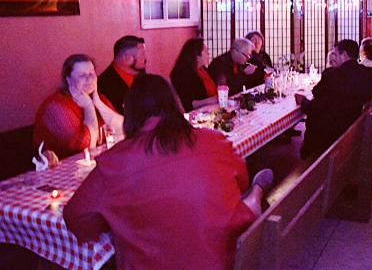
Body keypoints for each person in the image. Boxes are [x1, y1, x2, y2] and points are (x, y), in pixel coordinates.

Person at [64, 74, 272, 270]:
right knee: (244, 199)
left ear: (129, 113)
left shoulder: (114, 162)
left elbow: (77, 220)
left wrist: (118, 220)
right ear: (175, 105)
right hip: (223, 262)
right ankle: (256, 195)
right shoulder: (213, 140)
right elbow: (241, 182)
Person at [295, 39, 372, 159]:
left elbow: (315, 107)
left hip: (329, 133)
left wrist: (303, 101)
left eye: (336, 54)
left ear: (344, 55)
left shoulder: (333, 76)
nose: (334, 58)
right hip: (353, 127)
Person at [33, 54, 123, 159]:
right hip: (65, 167)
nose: (89, 79)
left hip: (100, 161)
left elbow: (124, 129)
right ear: (68, 80)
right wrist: (89, 107)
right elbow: (86, 148)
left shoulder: (98, 98)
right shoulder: (56, 106)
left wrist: (98, 103)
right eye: (82, 75)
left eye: (92, 74)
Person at [98, 35, 146, 114]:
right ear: (127, 58)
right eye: (142, 55)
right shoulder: (104, 87)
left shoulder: (140, 73)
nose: (145, 59)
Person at [170, 37, 217, 112]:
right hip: (195, 114)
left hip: (210, 108)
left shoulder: (202, 69)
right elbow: (186, 103)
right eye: (206, 51)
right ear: (197, 55)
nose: (209, 53)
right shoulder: (182, 74)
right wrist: (209, 101)